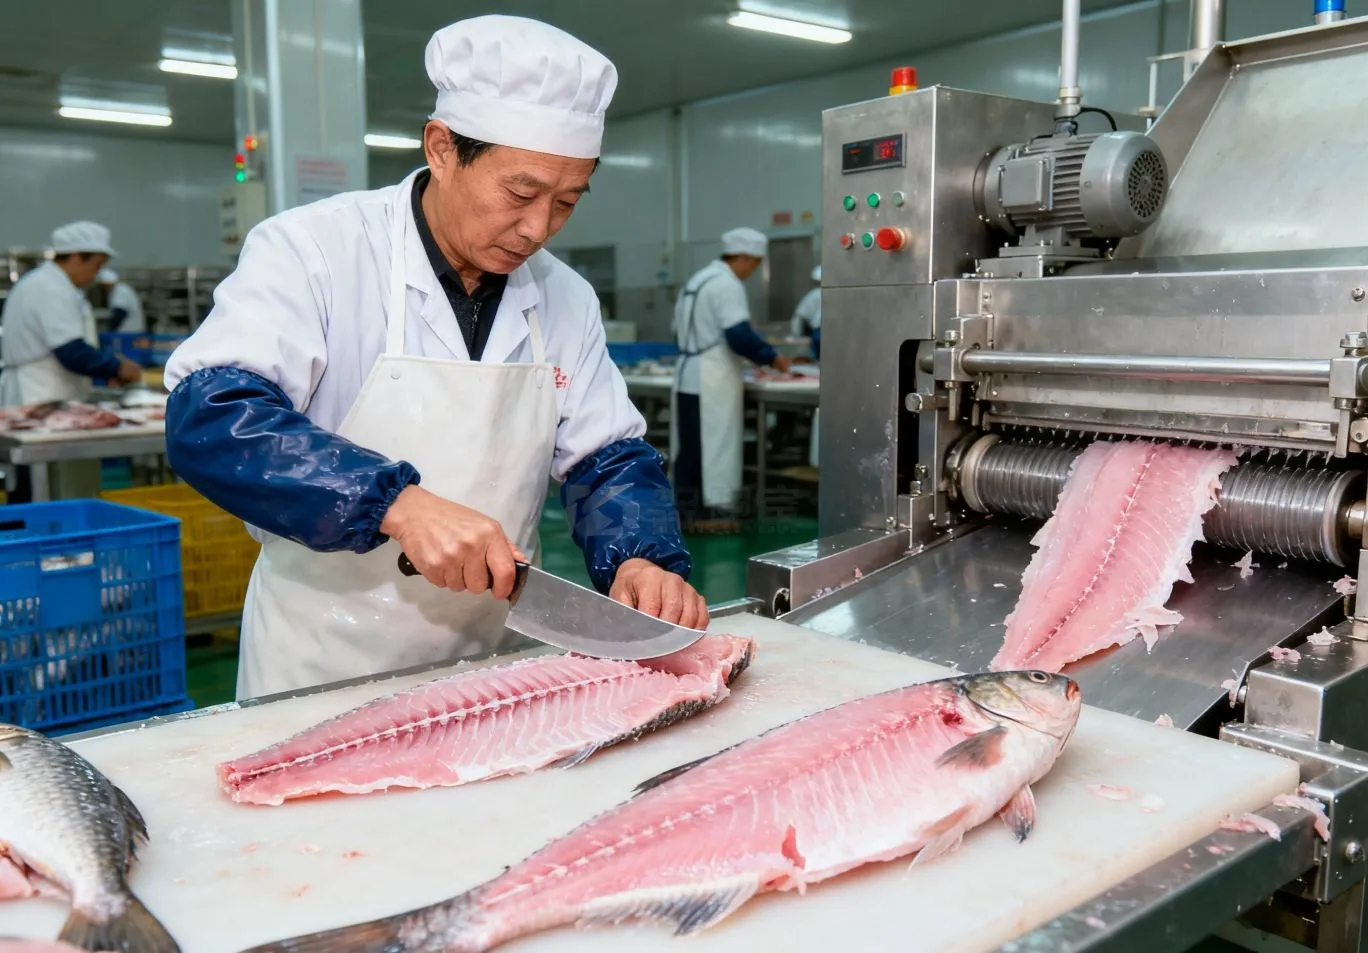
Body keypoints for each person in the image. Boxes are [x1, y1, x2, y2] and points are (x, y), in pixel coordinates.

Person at [162, 15, 708, 700]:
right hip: (323, 660)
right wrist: (397, 503)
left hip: (493, 659)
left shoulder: (565, 296)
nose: (537, 228)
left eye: (567, 202)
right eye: (520, 193)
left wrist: (640, 557)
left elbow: (607, 456)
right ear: (443, 148)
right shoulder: (316, 251)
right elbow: (212, 416)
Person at [670, 227, 791, 533]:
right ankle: (710, 512)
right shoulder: (726, 284)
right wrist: (771, 357)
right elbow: (738, 335)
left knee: (690, 447)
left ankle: (685, 512)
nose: (753, 271)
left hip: (687, 373)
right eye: (755, 264)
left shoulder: (697, 281)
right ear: (744, 258)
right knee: (713, 446)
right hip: (711, 378)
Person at [0, 222, 141, 409]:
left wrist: (109, 368)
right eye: (96, 266)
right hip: (39, 392)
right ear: (75, 257)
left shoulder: (52, 284)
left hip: (50, 389)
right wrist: (117, 368)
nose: (96, 274)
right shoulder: (50, 288)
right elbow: (71, 351)